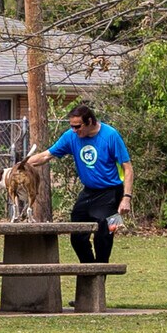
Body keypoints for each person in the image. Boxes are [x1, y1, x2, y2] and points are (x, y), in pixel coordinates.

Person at [26, 102, 132, 263]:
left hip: (111, 192)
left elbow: (128, 168)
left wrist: (126, 197)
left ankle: (100, 273)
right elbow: (46, 156)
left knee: (103, 234)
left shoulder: (110, 135)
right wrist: (20, 166)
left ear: (90, 121)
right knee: (77, 235)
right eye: (72, 127)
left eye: (77, 126)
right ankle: (89, 270)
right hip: (89, 192)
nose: (74, 130)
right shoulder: (71, 136)